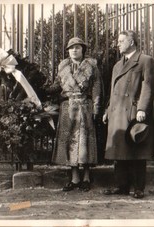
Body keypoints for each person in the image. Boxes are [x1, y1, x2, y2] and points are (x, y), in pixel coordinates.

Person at [102, 30, 154, 199]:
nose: (117, 44)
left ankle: (138, 188)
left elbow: (149, 86)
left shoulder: (145, 60)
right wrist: (107, 110)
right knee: (119, 152)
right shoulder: (117, 65)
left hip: (133, 112)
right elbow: (113, 91)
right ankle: (122, 186)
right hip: (116, 112)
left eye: (121, 41)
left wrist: (142, 109)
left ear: (131, 42)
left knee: (136, 151)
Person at [46, 37, 102, 192]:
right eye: (71, 48)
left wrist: (96, 108)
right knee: (70, 142)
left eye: (77, 47)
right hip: (68, 107)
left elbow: (97, 88)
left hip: (85, 106)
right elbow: (57, 85)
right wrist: (44, 89)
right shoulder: (63, 66)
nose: (74, 50)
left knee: (85, 142)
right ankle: (74, 178)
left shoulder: (92, 66)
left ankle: (86, 178)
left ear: (83, 49)